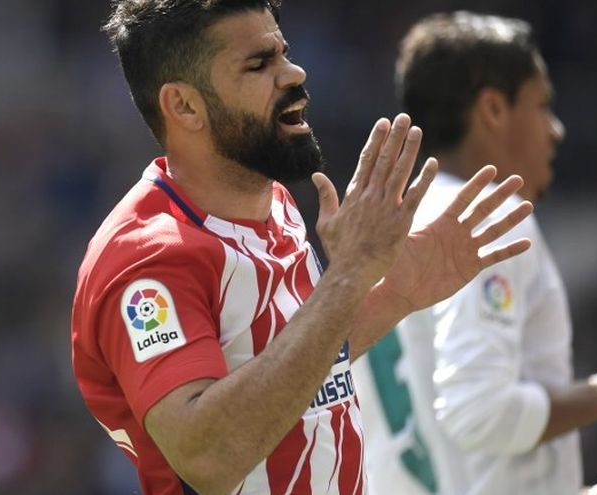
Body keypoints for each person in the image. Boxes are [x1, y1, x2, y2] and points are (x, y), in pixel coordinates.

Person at [71, 2, 537, 494]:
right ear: (185, 106)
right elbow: (208, 458)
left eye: (283, 53)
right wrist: (349, 275)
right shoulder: (147, 260)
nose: (294, 73)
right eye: (259, 64)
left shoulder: (275, 204)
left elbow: (295, 364)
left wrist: (394, 295)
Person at [352, 11, 597, 495]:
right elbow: (478, 411)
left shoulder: (387, 225)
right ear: (493, 110)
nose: (556, 130)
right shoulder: (487, 218)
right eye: (542, 106)